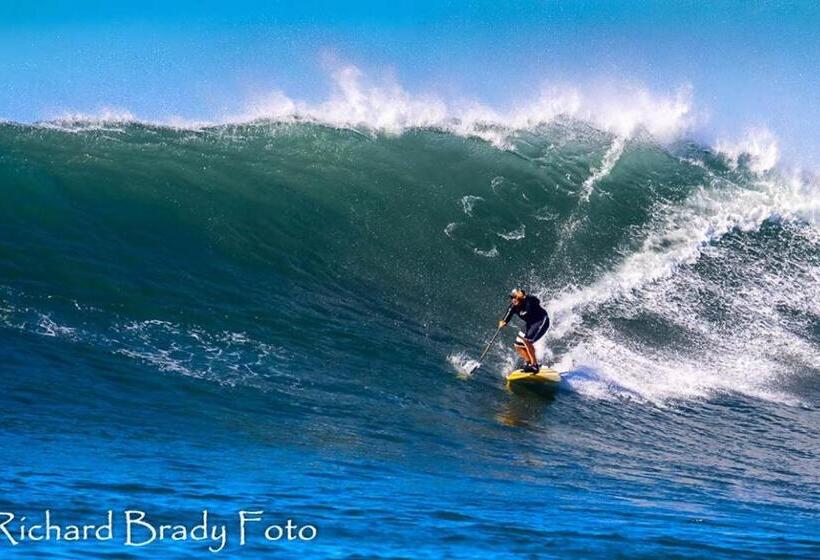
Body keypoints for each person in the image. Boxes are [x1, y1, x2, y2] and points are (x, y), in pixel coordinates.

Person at [498, 288, 550, 373]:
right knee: (517, 345)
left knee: (527, 341)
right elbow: (506, 318)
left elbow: (537, 300)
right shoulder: (513, 307)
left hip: (541, 321)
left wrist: (525, 296)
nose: (514, 300)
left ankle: (534, 366)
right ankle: (528, 362)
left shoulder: (530, 301)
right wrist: (503, 322)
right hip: (530, 324)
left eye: (516, 297)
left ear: (521, 297)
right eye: (512, 298)